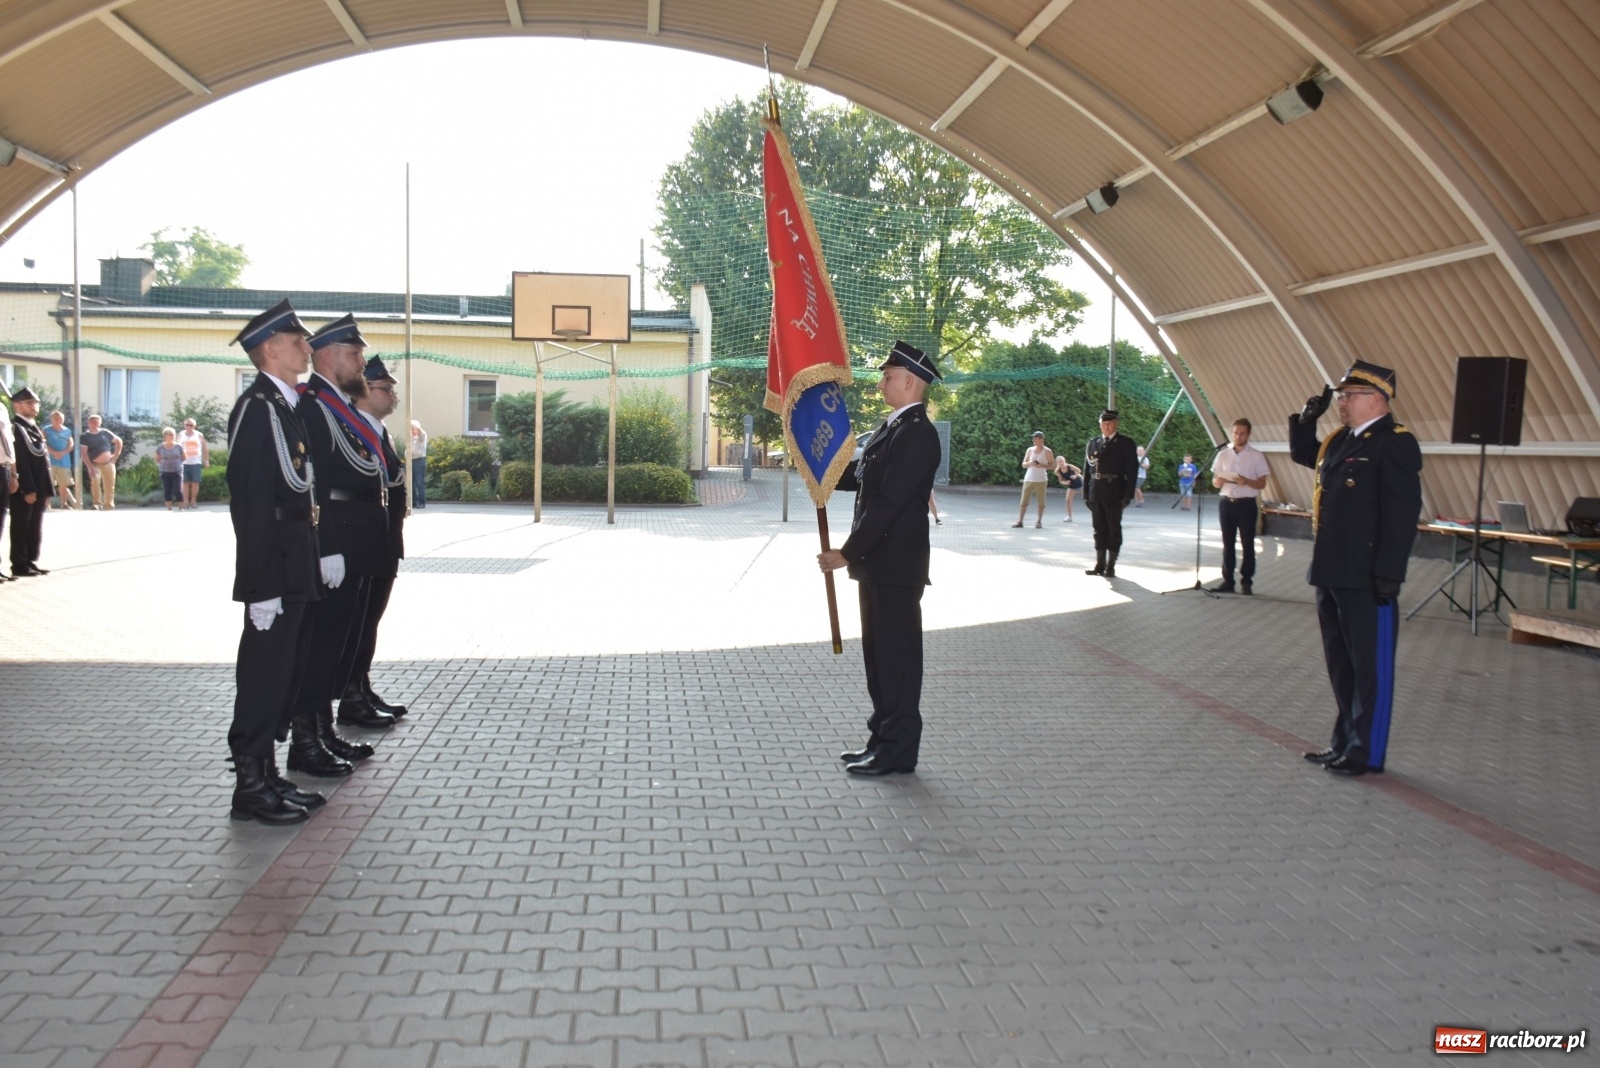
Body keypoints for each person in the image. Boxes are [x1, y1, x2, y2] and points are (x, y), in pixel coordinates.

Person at [1289, 361, 1422, 778]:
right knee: (1341, 665)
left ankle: (1367, 753)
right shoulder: (1340, 441)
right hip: (1331, 570)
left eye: (1350, 396)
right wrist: (1305, 421)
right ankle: (1343, 741)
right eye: (1342, 396)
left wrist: (1391, 573)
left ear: (1377, 400)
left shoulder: (1395, 443)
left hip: (1367, 576)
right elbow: (1304, 455)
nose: (1341, 403)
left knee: (1370, 667)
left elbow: (1402, 513)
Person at [818, 340, 942, 777]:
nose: (881, 381)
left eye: (888, 375)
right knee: (879, 660)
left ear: (910, 381)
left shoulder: (918, 434)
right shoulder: (893, 428)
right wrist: (823, 469)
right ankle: (881, 739)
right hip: (878, 566)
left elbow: (888, 503)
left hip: (895, 567)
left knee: (898, 663)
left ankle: (899, 750)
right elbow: (865, 477)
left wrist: (845, 553)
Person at [224, 298, 325, 825]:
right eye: (297, 340)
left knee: (285, 672)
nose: (307, 347)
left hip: (294, 559)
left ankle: (268, 775)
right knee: (264, 676)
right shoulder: (257, 408)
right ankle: (250, 788)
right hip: (273, 569)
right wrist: (259, 584)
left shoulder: (284, 406)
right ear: (269, 348)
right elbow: (251, 500)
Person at [291, 312, 395, 782]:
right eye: (354, 354)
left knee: (340, 641)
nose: (361, 362)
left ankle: (322, 729)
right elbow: (313, 485)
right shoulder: (314, 406)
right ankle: (305, 739)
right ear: (330, 357)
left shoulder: (339, 407)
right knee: (321, 644)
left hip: (360, 538)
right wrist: (327, 544)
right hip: (340, 540)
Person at [344, 355, 412, 729]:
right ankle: (351, 694)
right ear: (364, 392)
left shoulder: (376, 431)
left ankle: (361, 687)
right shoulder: (352, 429)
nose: (393, 396)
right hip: (366, 544)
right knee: (359, 622)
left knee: (369, 623)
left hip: (384, 542)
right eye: (386, 389)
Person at [1210, 419, 1271, 594]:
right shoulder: (1223, 455)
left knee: (1247, 543)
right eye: (1236, 433)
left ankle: (1247, 581)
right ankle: (1228, 580)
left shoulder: (1256, 456)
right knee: (1227, 543)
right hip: (1227, 503)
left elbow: (1261, 484)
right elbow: (1214, 482)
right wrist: (1218, 481)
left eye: (1242, 433)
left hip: (1246, 504)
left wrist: (1246, 481)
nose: (1238, 436)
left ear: (1248, 434)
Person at [1083, 409, 1139, 577]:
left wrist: (1127, 495)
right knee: (1098, 528)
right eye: (1103, 424)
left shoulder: (1126, 443)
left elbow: (1132, 470)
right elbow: (1087, 470)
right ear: (1100, 425)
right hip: (1096, 490)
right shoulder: (1093, 443)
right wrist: (1086, 494)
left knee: (1113, 528)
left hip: (1115, 490)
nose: (1106, 427)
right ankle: (1099, 564)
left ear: (1116, 424)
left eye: (1109, 424)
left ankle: (1111, 566)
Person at [9, 387, 54, 579]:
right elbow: (21, 460)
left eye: (35, 403)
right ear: (16, 405)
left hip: (39, 485)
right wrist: (28, 488)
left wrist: (46, 489)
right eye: (29, 403)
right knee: (21, 525)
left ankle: (29, 560)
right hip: (27, 486)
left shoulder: (33, 427)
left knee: (34, 525)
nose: (34, 406)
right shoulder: (16, 427)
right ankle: (19, 563)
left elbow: (43, 461)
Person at [79, 414, 122, 510]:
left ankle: (109, 505)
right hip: (94, 464)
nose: (96, 425)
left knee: (110, 485)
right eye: (93, 423)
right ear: (89, 423)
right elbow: (84, 453)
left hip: (108, 463)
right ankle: (97, 503)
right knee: (95, 481)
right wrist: (90, 467)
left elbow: (119, 441)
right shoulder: (85, 436)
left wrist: (116, 456)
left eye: (98, 423)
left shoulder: (105, 433)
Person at [1013, 431, 1053, 529]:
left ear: (1041, 439)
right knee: (1024, 501)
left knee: (1041, 502)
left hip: (1041, 480)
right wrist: (1030, 463)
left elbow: (1052, 465)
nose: (1033, 440)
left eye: (1036, 438)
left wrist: (1042, 465)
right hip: (1029, 479)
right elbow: (1023, 464)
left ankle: (1039, 522)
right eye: (1033, 438)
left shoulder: (1047, 451)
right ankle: (1020, 521)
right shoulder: (1030, 450)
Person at [43, 410, 76, 509]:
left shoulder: (67, 431)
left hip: (64, 461)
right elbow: (43, 443)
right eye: (55, 418)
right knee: (48, 483)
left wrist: (62, 453)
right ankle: (46, 504)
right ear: (51, 420)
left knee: (64, 484)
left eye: (60, 418)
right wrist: (54, 453)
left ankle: (64, 504)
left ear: (63, 420)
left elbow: (71, 444)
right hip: (49, 461)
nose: (58, 420)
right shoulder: (46, 430)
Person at [176, 417, 208, 510]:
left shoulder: (199, 435)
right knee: (185, 483)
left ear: (195, 426)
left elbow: (205, 448)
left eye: (191, 425)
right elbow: (176, 448)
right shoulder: (181, 434)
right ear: (184, 425)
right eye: (187, 424)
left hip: (196, 462)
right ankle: (186, 502)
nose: (189, 426)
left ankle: (193, 501)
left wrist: (206, 460)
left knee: (195, 483)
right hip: (183, 462)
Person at [0, 389, 15, 580]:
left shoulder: (2, 408)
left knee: (1, 519)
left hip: (3, 468)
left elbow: (9, 441)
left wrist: (14, 473)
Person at [156, 428, 186, 510]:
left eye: (173, 435)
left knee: (178, 490)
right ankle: (169, 506)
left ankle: (181, 506)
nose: (171, 436)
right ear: (165, 436)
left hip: (177, 471)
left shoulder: (179, 446)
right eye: (169, 435)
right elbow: (157, 458)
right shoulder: (160, 447)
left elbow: (184, 457)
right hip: (164, 471)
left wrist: (177, 463)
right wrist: (164, 464)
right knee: (167, 489)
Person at [1054, 455, 1083, 522]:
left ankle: (1096, 514)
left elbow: (1079, 470)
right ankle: (1069, 517)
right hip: (1072, 486)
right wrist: (1065, 483)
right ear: (1057, 463)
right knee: (1068, 500)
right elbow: (1061, 481)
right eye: (1059, 462)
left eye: (1062, 461)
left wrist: (1075, 476)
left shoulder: (1069, 466)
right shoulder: (1059, 471)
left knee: (1087, 499)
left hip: (1080, 483)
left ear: (1064, 461)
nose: (1061, 463)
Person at [408, 420, 427, 508]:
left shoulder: (421, 437)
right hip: (410, 461)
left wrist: (416, 426)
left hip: (419, 461)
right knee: (410, 483)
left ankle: (422, 503)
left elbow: (422, 434)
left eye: (412, 428)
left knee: (419, 483)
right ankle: (413, 502)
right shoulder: (410, 438)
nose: (410, 430)